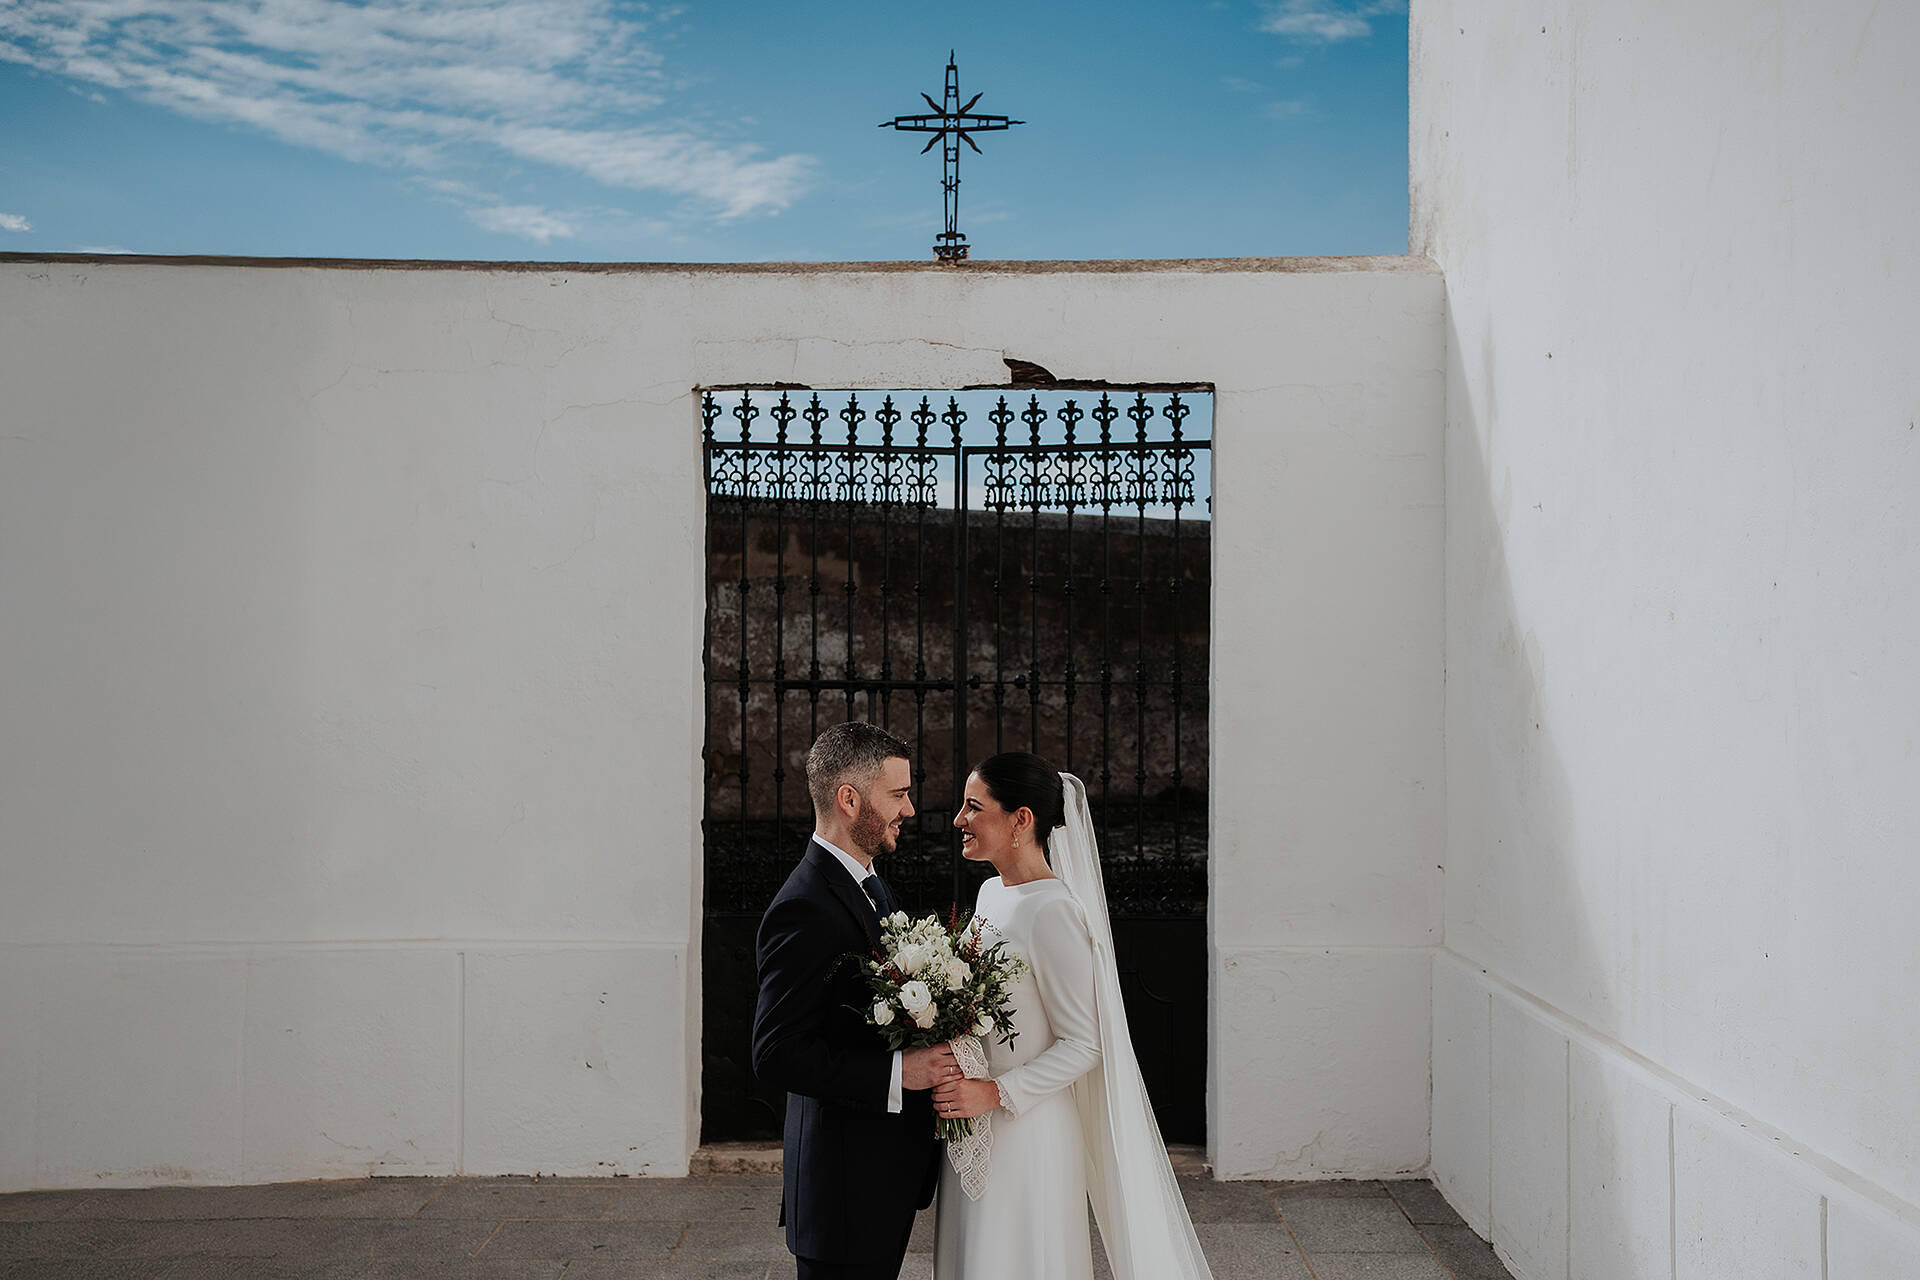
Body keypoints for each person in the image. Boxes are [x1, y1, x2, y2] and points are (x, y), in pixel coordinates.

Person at [931, 752, 1214, 1280]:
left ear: (1021, 820)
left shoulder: (1053, 910)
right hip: (970, 1121)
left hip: (1026, 1129)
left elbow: (1085, 1043)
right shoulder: (991, 892)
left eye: (974, 807)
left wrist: (994, 1093)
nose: (958, 820)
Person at [751, 721, 961, 1280]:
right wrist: (900, 1072)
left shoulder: (870, 882)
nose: (909, 810)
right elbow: (775, 1052)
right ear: (849, 800)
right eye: (898, 794)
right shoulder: (805, 906)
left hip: (878, 1182)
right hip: (840, 1192)